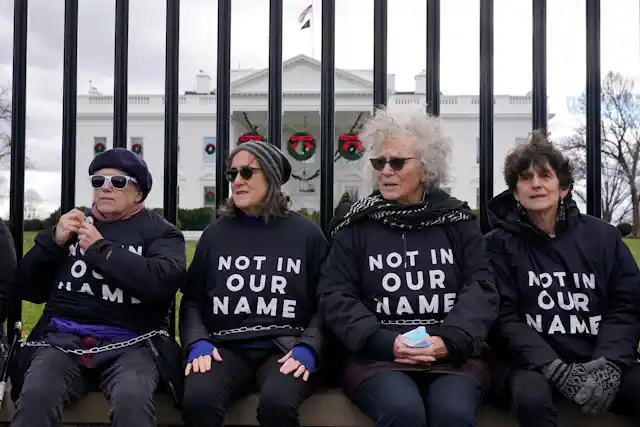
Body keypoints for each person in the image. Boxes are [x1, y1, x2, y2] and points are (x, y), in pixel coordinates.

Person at [317, 105, 499, 427]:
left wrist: (450, 341)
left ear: (426, 168)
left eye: (398, 162)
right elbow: (336, 294)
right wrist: (386, 342)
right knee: (402, 412)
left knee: (453, 414)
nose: (386, 170)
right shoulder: (355, 225)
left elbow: (481, 287)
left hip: (453, 357)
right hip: (377, 357)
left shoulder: (457, 221)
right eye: (379, 162)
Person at [9, 148, 186, 427]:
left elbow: (161, 283)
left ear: (138, 193)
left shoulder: (160, 232)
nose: (105, 189)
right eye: (97, 182)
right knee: (36, 395)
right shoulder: (73, 225)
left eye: (117, 182)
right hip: (63, 339)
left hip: (133, 342)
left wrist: (101, 250)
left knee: (132, 400)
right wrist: (53, 243)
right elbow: (29, 289)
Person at [485, 130, 640, 426]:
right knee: (531, 399)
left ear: (564, 187)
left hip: (598, 357)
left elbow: (626, 306)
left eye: (545, 175)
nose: (536, 184)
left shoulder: (603, 237)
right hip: (530, 365)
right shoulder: (497, 244)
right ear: (515, 192)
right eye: (526, 178)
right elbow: (502, 317)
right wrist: (552, 366)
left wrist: (610, 365)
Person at [179, 141, 328, 427]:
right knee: (199, 400)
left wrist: (309, 347)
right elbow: (192, 299)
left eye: (247, 172)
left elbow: (327, 301)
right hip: (226, 348)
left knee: (278, 403)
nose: (237, 181)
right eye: (232, 174)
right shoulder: (215, 234)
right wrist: (197, 341)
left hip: (284, 346)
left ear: (271, 177)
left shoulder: (306, 234)